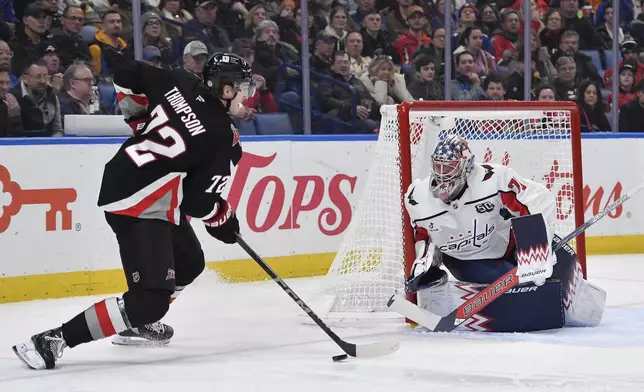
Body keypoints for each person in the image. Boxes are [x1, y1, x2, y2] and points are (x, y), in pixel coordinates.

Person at [12, 52, 255, 370]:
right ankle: (53, 339)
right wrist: (222, 217)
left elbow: (127, 70)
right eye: (243, 87)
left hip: (133, 181)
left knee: (190, 262)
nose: (248, 95)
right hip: (139, 203)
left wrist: (138, 119)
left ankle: (135, 322)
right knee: (150, 300)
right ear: (225, 89)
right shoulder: (220, 136)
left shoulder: (180, 81)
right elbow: (198, 203)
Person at [403, 135, 606, 332]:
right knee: (528, 292)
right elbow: (425, 237)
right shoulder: (417, 198)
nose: (442, 174)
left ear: (466, 167)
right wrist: (424, 266)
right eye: (438, 166)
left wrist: (536, 249)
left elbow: (538, 199)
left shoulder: (493, 179)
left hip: (509, 243)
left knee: (563, 262)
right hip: (467, 260)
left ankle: (576, 301)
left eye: (449, 167)